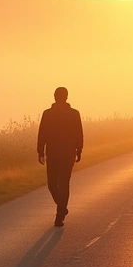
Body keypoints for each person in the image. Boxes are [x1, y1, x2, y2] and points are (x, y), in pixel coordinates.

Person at [37, 86, 83, 227]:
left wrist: (79, 149)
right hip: (55, 153)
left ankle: (59, 215)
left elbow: (78, 133)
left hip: (65, 153)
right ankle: (62, 207)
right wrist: (40, 150)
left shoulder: (74, 113)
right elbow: (42, 133)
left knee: (61, 183)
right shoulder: (48, 114)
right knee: (53, 184)